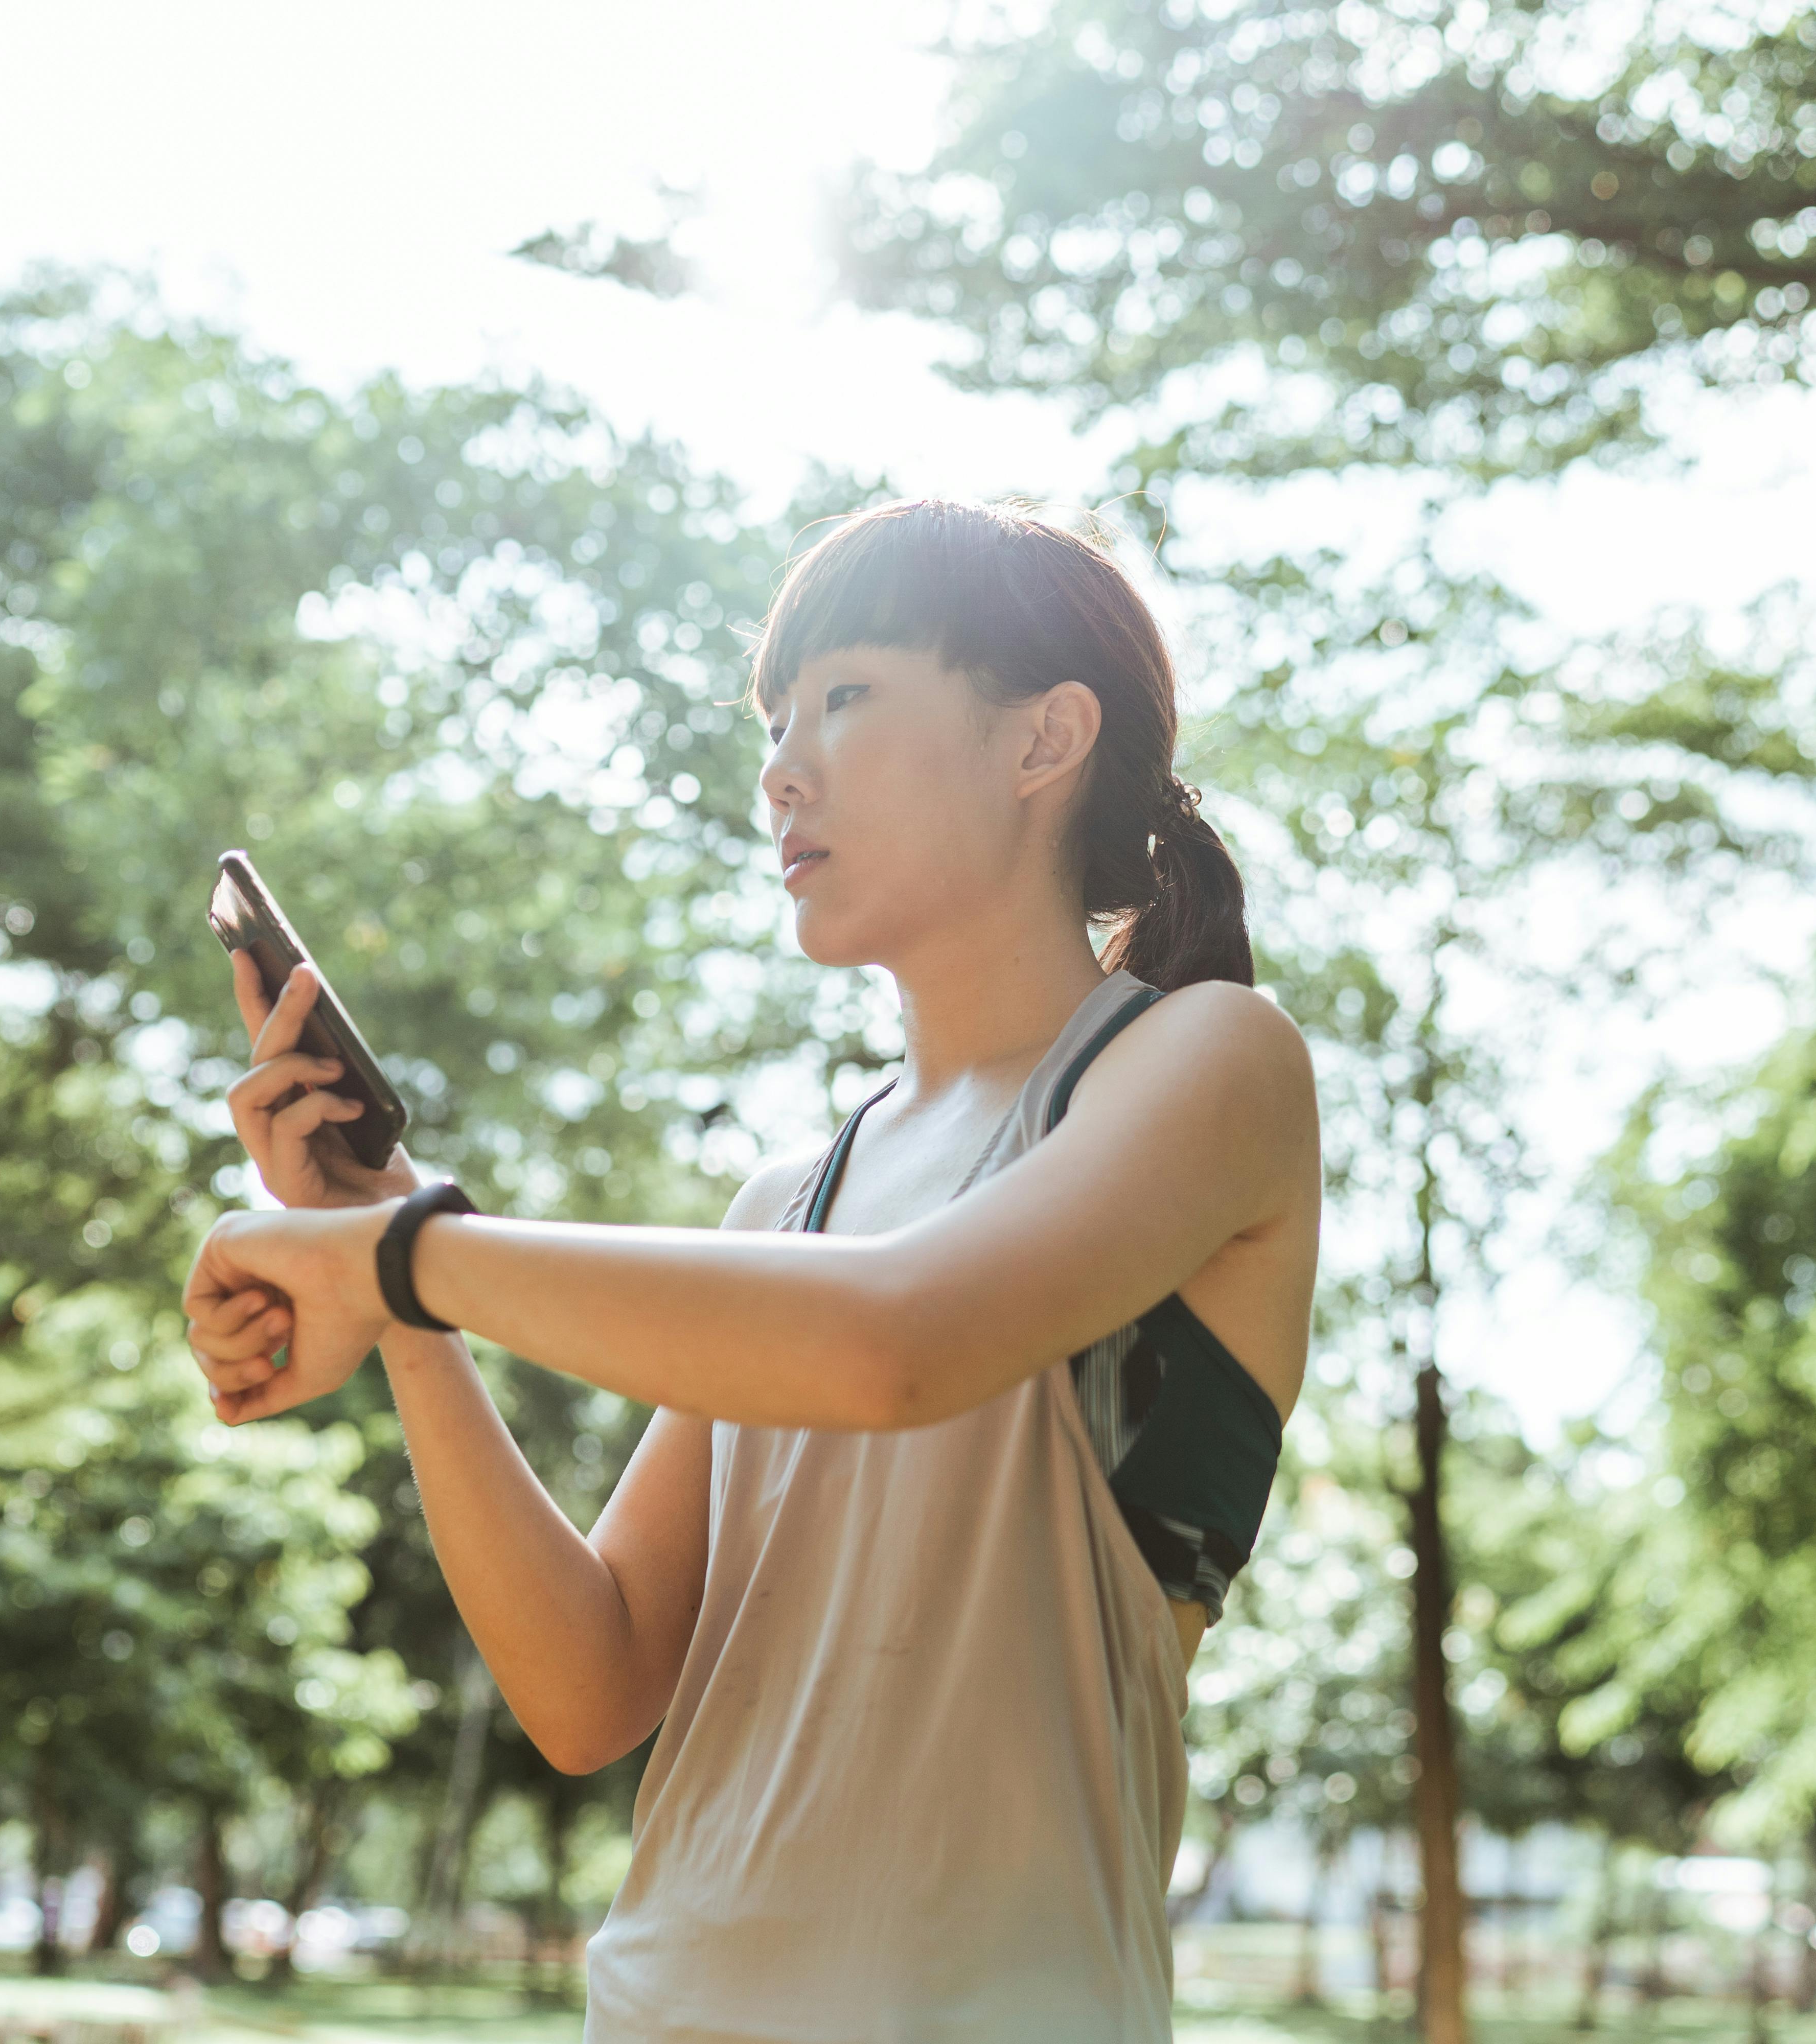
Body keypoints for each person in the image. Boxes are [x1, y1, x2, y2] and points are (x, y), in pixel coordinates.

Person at [181, 496, 1322, 2040]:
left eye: (847, 697)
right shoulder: (788, 1202)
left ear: (1045, 736)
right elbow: (590, 1690)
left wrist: (399, 1257)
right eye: (776, 722)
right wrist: (406, 1304)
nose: (782, 768)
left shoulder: (1209, 1067)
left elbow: (901, 1346)